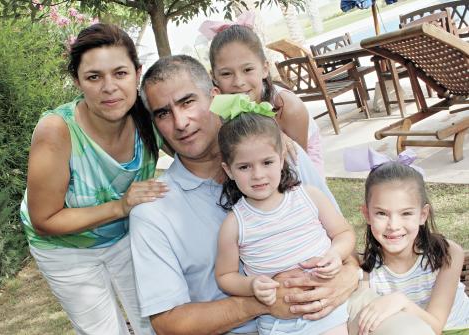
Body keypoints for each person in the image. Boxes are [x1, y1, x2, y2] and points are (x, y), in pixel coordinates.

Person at [133, 55, 434, 335]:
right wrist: (260, 303)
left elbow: (339, 237)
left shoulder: (284, 156)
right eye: (163, 113)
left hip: (339, 303)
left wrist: (348, 276)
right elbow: (168, 323)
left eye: (188, 102)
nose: (180, 122)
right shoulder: (154, 211)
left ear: (213, 97)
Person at [20, 23, 167, 335]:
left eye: (120, 73)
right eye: (94, 77)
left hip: (126, 236)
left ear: (137, 74)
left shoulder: (151, 115)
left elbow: (199, 145)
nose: (109, 87)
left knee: (155, 323)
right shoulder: (56, 131)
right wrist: (120, 206)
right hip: (65, 247)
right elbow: (45, 218)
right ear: (78, 82)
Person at [213, 94, 355, 335]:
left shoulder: (308, 197)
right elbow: (225, 276)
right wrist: (252, 285)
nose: (258, 175)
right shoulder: (235, 224)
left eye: (267, 162)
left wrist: (335, 253)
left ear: (281, 160)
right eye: (245, 167)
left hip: (329, 311)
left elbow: (344, 233)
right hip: (280, 325)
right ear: (229, 170)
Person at [353, 149, 469, 335]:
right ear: (367, 214)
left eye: (406, 213)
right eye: (381, 213)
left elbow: (436, 326)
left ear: (423, 215)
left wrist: (401, 302)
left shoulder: (447, 253)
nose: (393, 225)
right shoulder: (366, 269)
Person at [207, 23, 325, 177]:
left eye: (248, 69)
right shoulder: (219, 106)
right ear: (214, 77)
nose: (239, 82)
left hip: (297, 167)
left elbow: (299, 166)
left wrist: (273, 137)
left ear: (264, 68)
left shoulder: (287, 106)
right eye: (226, 74)